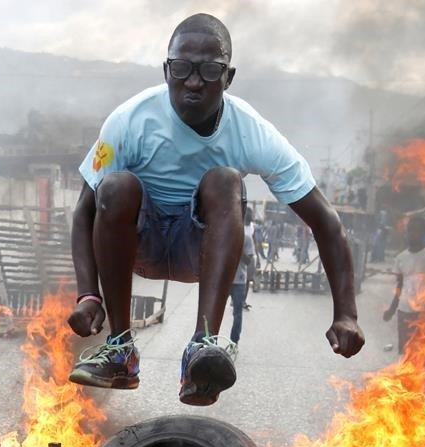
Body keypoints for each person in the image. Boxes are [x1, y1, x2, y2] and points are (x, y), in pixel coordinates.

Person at [65, 14, 364, 405]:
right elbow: (84, 212)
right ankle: (121, 349)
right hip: (141, 246)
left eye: (209, 70)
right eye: (182, 68)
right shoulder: (129, 120)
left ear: (229, 76)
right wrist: (89, 295)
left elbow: (326, 223)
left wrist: (347, 313)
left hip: (200, 250)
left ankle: (201, 347)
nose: (193, 81)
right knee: (116, 185)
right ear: (166, 69)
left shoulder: (251, 131)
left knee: (225, 180)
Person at [384, 216, 425, 354]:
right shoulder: (400, 258)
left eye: (417, 231)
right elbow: (399, 286)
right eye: (410, 231)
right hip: (404, 310)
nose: (413, 234)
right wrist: (392, 309)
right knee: (405, 351)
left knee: (423, 351)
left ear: (424, 233)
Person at [228, 210, 257, 347]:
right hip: (224, 281)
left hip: (239, 281)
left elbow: (247, 261)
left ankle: (234, 341)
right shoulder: (225, 235)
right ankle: (212, 340)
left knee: (237, 313)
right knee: (215, 312)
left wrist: (238, 249)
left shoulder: (247, 238)